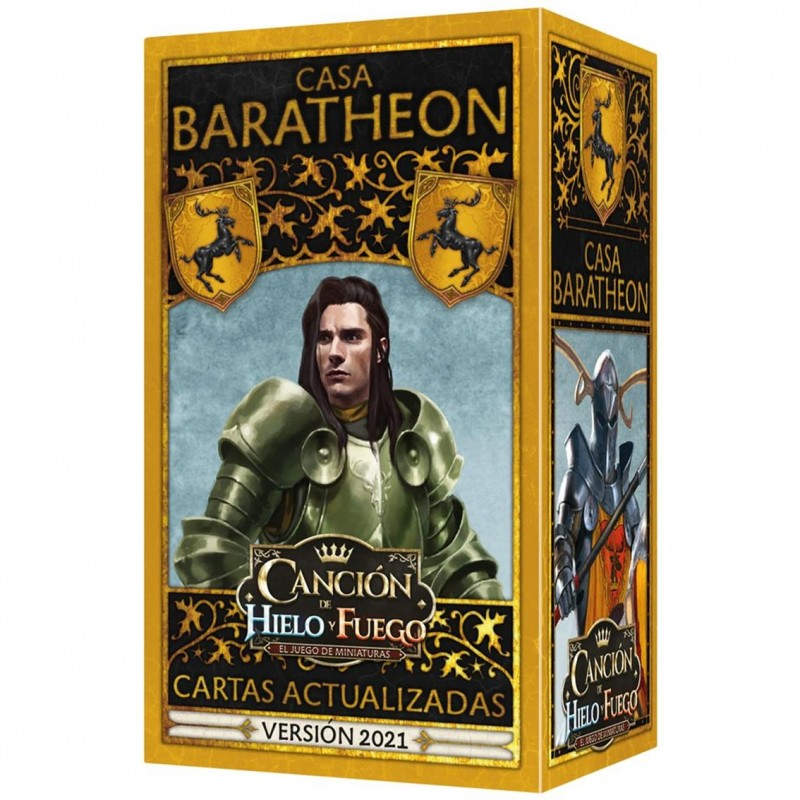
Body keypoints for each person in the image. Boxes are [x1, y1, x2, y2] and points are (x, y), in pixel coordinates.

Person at [175, 275, 503, 599]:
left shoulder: (414, 438)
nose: (334, 352)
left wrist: (497, 621)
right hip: (299, 631)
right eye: (324, 338)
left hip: (402, 634)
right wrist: (273, 619)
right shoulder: (278, 428)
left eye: (351, 337)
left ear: (380, 349)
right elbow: (209, 552)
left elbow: (458, 566)